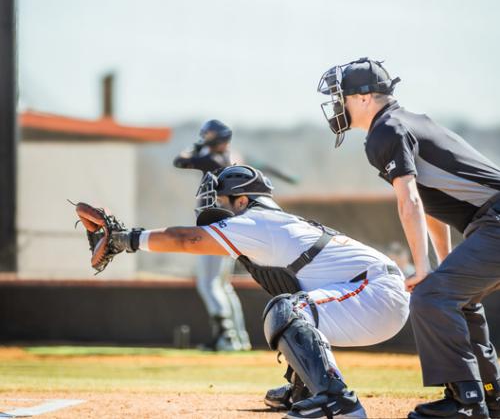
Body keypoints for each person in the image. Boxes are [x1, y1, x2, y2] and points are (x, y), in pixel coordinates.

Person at [87, 164, 410, 419]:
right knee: (295, 307)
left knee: (287, 310)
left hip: (375, 292)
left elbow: (187, 239)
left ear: (242, 200)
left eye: (223, 203)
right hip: (373, 294)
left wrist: (124, 239)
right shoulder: (269, 225)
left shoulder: (258, 221)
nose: (216, 215)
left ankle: (336, 400)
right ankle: (309, 390)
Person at [317, 57, 500, 419]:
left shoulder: (385, 131)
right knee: (455, 298)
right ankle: (490, 396)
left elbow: (410, 202)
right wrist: (440, 263)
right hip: (489, 223)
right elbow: (432, 204)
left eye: (342, 97)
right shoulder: (406, 122)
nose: (338, 105)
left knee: (431, 296)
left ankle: (465, 402)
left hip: (494, 222)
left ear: (366, 97)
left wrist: (421, 269)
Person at [173, 119, 251, 351]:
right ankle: (239, 337)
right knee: (223, 285)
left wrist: (195, 148)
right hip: (230, 226)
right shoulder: (232, 156)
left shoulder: (212, 159)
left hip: (215, 227)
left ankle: (226, 338)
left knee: (208, 284)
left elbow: (179, 161)